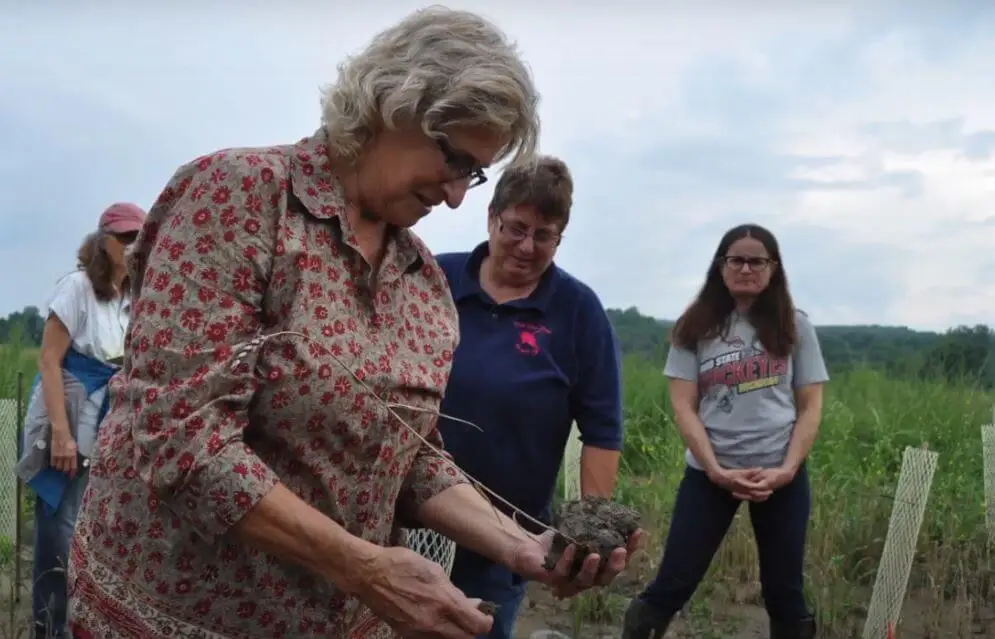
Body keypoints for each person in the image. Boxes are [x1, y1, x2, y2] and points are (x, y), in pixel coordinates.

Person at [66, 8, 636, 639]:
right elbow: (183, 437)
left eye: (473, 175)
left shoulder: (420, 279)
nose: (454, 197)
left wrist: (519, 546)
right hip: (179, 616)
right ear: (395, 104)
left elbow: (412, 459)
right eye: (454, 162)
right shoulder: (241, 198)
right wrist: (366, 569)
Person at [434, 155, 635, 639]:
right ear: (491, 217)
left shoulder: (578, 310)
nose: (527, 247)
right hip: (408, 517)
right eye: (516, 228)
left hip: (508, 534)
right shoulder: (436, 278)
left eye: (544, 236)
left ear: (560, 237)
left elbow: (602, 429)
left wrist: (590, 535)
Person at [621, 223, 828, 639]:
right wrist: (714, 468)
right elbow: (684, 405)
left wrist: (787, 469)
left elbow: (810, 406)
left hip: (780, 477)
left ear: (773, 268)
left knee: (785, 592)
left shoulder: (795, 326)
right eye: (737, 259)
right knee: (674, 582)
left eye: (757, 261)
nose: (746, 268)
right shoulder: (694, 327)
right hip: (710, 475)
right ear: (721, 266)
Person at [14, 202, 147, 638]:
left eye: (137, 237)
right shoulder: (77, 289)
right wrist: (61, 436)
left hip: (105, 419)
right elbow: (49, 362)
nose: (130, 246)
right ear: (102, 242)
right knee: (60, 525)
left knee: (94, 526)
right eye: (123, 237)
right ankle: (51, 629)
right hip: (68, 412)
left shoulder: (136, 297)